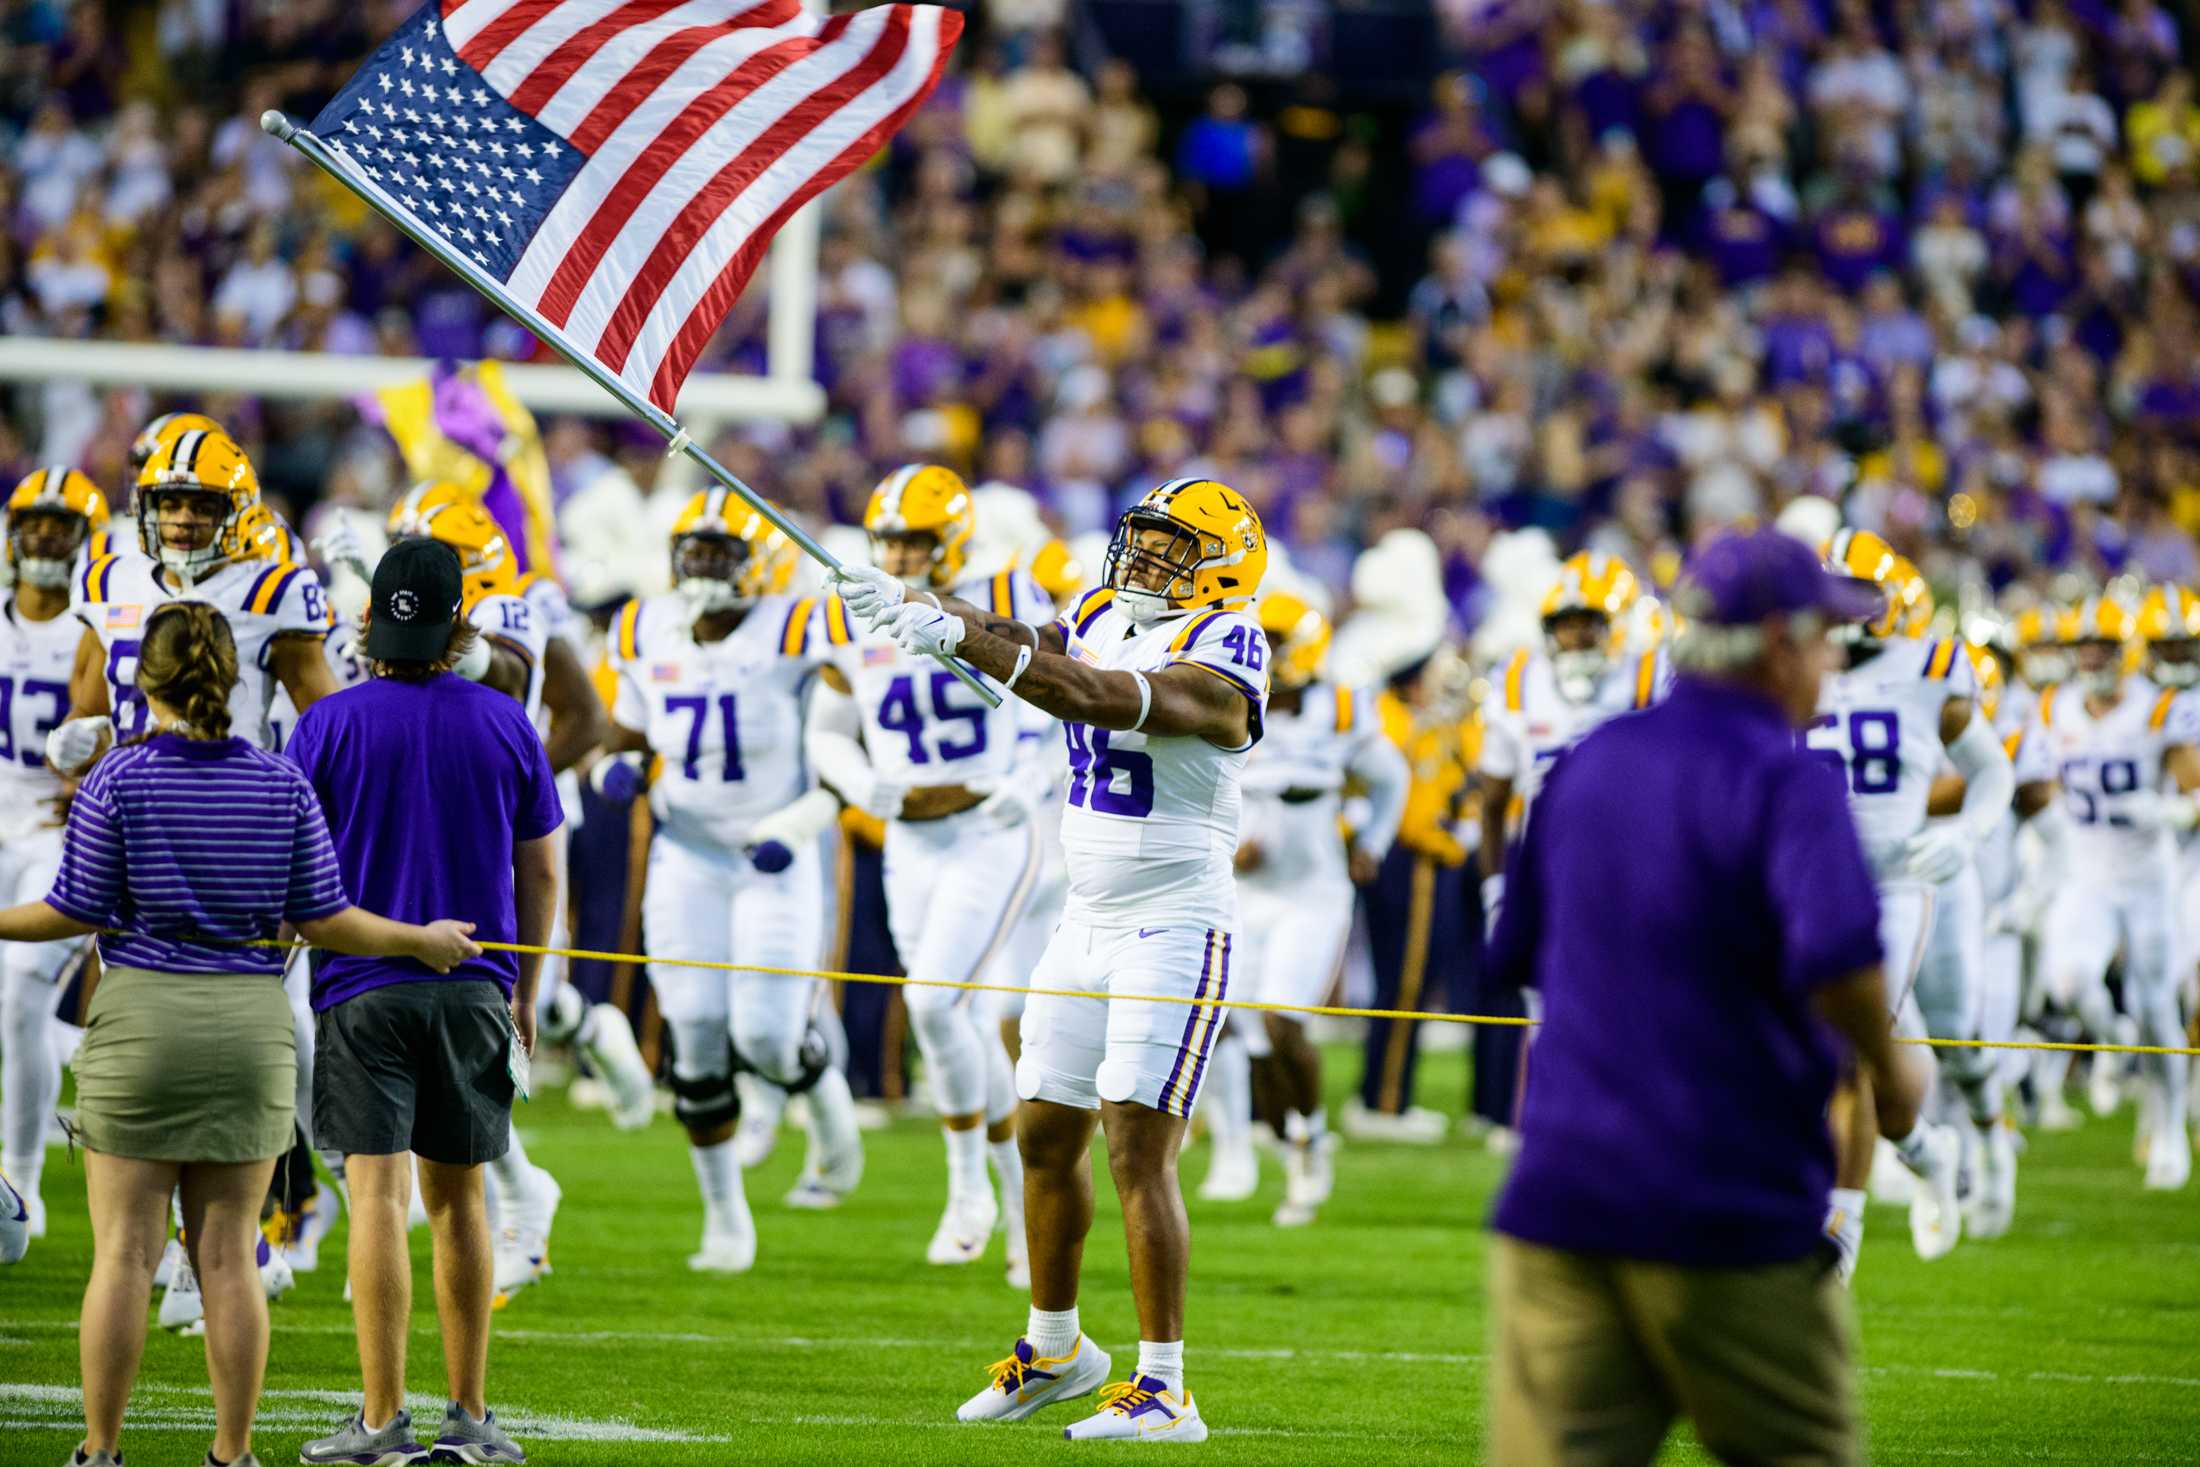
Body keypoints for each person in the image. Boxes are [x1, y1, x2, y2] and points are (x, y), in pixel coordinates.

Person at [1483, 527, 1930, 1467]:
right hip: (1722, 1203)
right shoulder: (1788, 777)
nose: (1833, 664)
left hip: (1559, 1204)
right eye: (1825, 641)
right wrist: (1892, 1082)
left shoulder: (1590, 760)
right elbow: (1843, 964)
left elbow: (1514, 950)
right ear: (1779, 642)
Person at [839, 476, 1271, 1443]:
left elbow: (1091, 692)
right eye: (1146, 542)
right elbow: (1025, 637)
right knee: (1043, 1129)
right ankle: (1058, 1348)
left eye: (1175, 550)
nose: (1149, 561)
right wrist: (922, 604)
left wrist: (955, 633)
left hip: (1174, 919)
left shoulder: (1232, 646)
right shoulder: (1101, 609)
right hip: (1087, 914)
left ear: (1225, 565)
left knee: (1135, 1143)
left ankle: (1166, 1386)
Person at [0, 599, 476, 1467]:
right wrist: (420, 938)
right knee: (226, 1258)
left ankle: (101, 1450)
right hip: (253, 1031)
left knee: (124, 1256)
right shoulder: (279, 779)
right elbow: (325, 918)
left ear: (144, 679)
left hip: (141, 1017)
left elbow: (73, 909)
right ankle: (233, 1452)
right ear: (234, 675)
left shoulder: (119, 777)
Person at [286, 539, 562, 1467]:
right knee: (461, 1201)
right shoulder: (505, 719)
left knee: (375, 1196)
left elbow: (296, 873)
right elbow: (545, 863)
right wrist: (521, 979)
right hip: (475, 985)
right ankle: (472, 1414)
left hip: (361, 988)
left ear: (368, 622)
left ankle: (379, 1420)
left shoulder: (326, 722)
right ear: (461, 628)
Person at [593, 491, 866, 1273]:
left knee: (768, 1035)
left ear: (763, 562)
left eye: (722, 553)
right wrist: (621, 765)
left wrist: (801, 823)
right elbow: (633, 733)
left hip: (774, 849)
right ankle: (725, 1218)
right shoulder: (642, 626)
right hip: (688, 852)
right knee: (699, 1034)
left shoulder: (799, 626)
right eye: (696, 551)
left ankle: (824, 1099)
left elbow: (847, 749)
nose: (704, 566)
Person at [807, 465, 1052, 1280]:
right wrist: (854, 778)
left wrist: (1031, 778)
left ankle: (966, 1190)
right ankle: (1018, 1208)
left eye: (917, 541)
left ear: (953, 538)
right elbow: (828, 728)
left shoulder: (1011, 587)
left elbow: (1066, 695)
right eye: (893, 541)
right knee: (960, 1020)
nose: (902, 556)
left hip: (988, 826)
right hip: (911, 837)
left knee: (933, 1000)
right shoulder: (853, 603)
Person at [1808, 530, 2015, 1273]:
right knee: (1877, 1086)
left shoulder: (1930, 668)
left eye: (1854, 595)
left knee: (1845, 1052)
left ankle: (1841, 1227)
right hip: (1803, 887)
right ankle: (1930, 1149)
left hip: (1894, 884)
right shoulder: (1796, 665)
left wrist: (1969, 833)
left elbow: (1993, 771)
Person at [1204, 590, 1406, 1224]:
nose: (1267, 656)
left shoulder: (1342, 707)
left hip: (1312, 894)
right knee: (1235, 1028)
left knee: (1284, 1025)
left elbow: (1391, 777)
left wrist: (1372, 842)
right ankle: (1252, 1144)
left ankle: (1309, 1142)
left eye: (1279, 645)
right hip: (1245, 891)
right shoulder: (1233, 699)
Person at [2014, 594, 2199, 1190]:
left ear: (2126, 650)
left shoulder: (2157, 708)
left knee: (2157, 1010)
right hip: (2085, 875)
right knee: (2069, 981)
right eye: (2084, 645)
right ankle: (2111, 1039)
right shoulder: (2054, 707)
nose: (2091, 655)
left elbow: (2195, 793)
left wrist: (2169, 810)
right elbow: (2033, 784)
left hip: (2149, 877)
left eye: (2103, 645)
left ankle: (2169, 1127)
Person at [0, 466, 109, 1241]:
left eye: (60, 525)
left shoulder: (97, 627)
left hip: (56, 837)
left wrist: (98, 775)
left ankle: (22, 1184)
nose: (43, 537)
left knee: (19, 1004)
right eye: (33, 523)